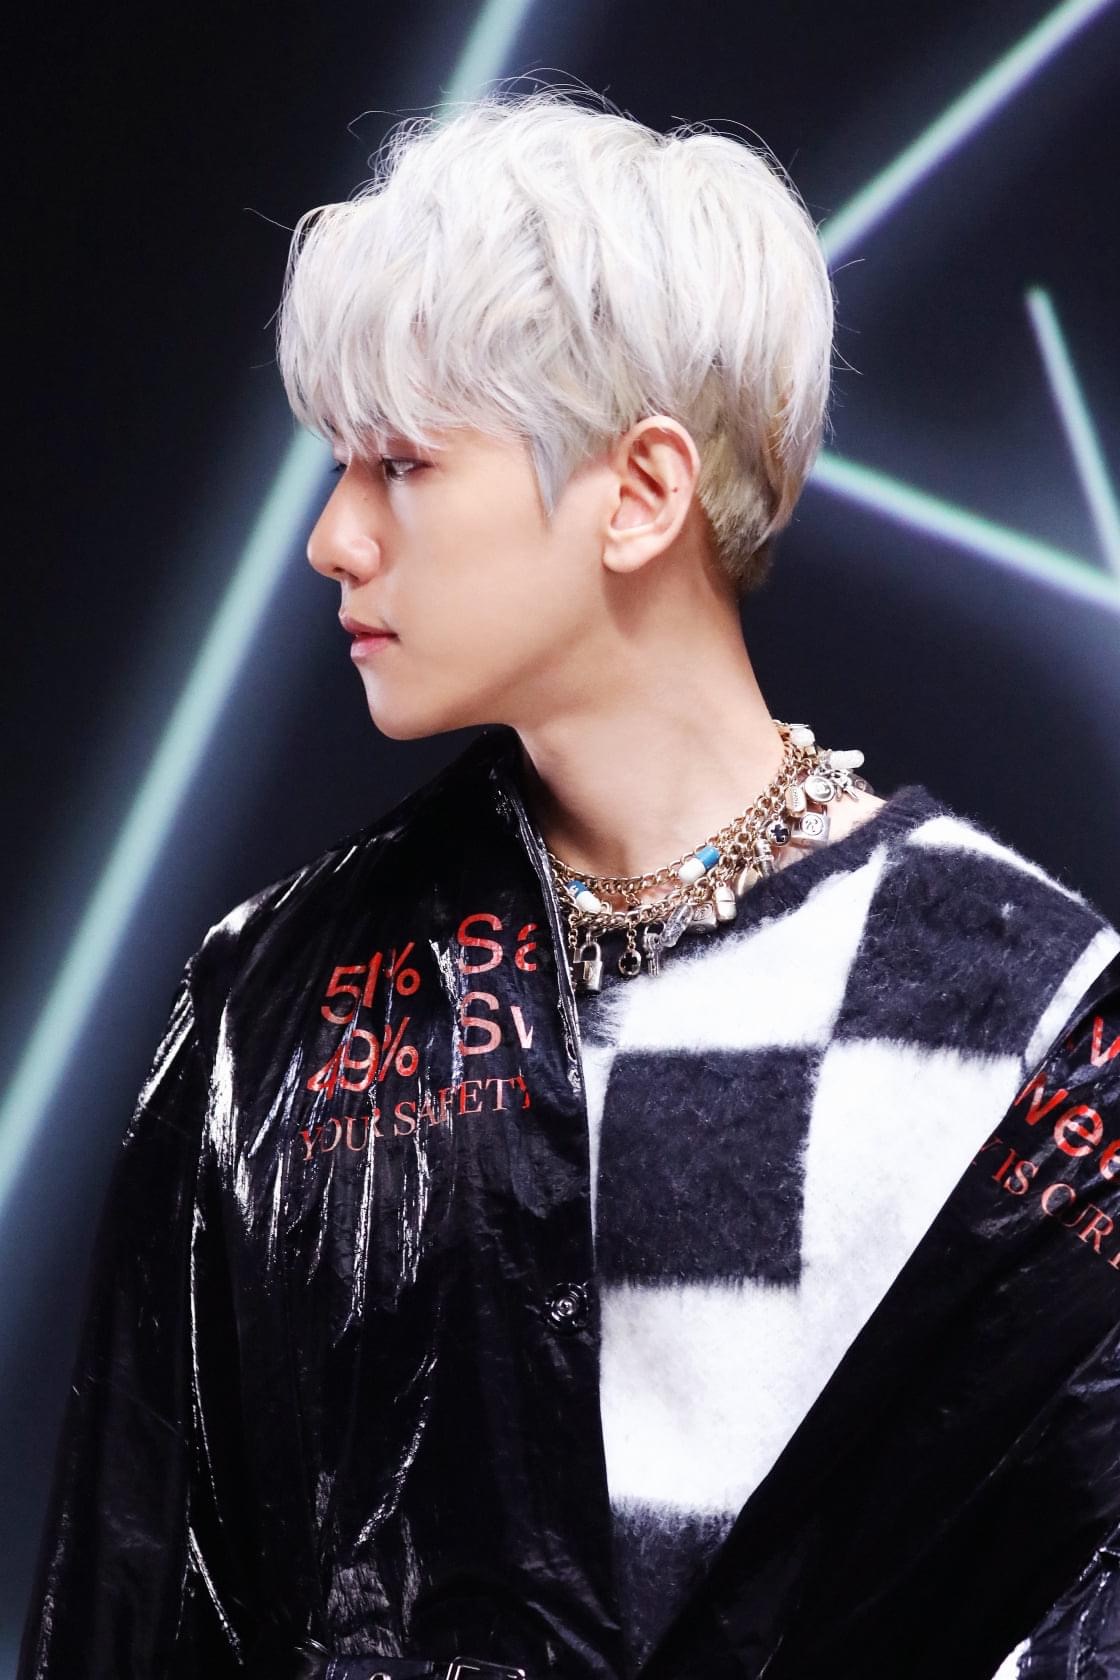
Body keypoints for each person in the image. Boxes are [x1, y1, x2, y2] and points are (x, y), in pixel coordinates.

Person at [18, 83, 1120, 1680]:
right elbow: (142, 1596)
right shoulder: (280, 1008)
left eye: (400, 464)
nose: (332, 538)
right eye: (339, 462)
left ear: (643, 491)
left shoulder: (1030, 1016)